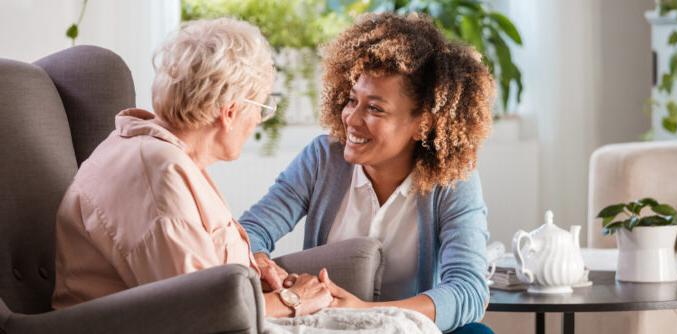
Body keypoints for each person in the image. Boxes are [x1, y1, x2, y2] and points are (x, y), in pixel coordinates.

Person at [52, 18, 332, 317]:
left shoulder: (155, 151)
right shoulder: (159, 173)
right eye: (262, 108)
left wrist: (252, 270)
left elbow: (197, 274)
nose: (257, 122)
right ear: (230, 111)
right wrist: (292, 300)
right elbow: (198, 310)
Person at [240, 13, 495, 333]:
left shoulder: (453, 180)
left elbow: (468, 290)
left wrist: (367, 312)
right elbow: (250, 233)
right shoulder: (322, 158)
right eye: (352, 100)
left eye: (375, 108)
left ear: (423, 124)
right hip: (325, 325)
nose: (351, 119)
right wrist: (259, 261)